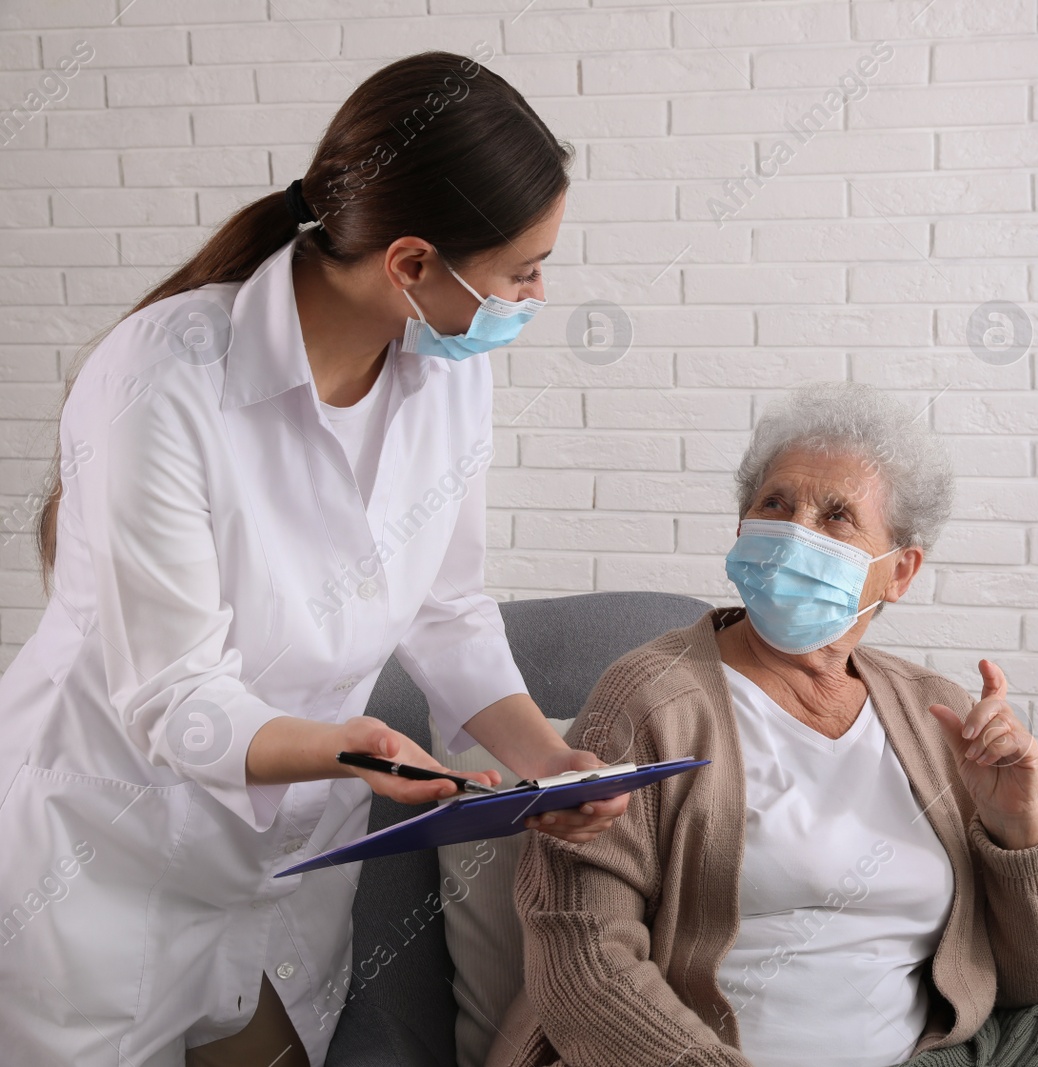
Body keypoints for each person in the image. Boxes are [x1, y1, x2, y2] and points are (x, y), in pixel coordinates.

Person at [0, 51, 625, 1067]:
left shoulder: (445, 375)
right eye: (522, 269)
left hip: (288, 874)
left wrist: (543, 762)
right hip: (99, 865)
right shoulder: (162, 381)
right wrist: (352, 749)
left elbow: (446, 605)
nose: (539, 293)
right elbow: (172, 696)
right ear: (413, 263)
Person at [488, 382, 1038, 1067]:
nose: (796, 531)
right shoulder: (649, 700)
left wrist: (1014, 826)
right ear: (742, 528)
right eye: (776, 502)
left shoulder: (937, 713)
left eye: (835, 515)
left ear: (899, 571)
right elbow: (583, 956)